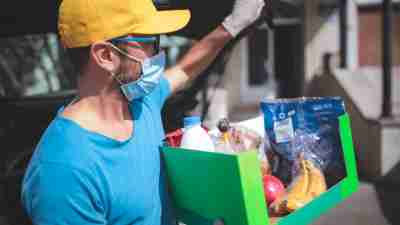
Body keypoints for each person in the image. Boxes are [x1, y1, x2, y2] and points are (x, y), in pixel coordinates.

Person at [21, 0, 266, 224]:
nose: (160, 54)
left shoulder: (140, 103)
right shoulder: (64, 170)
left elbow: (184, 69)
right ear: (105, 55)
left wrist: (231, 27)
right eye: (151, 42)